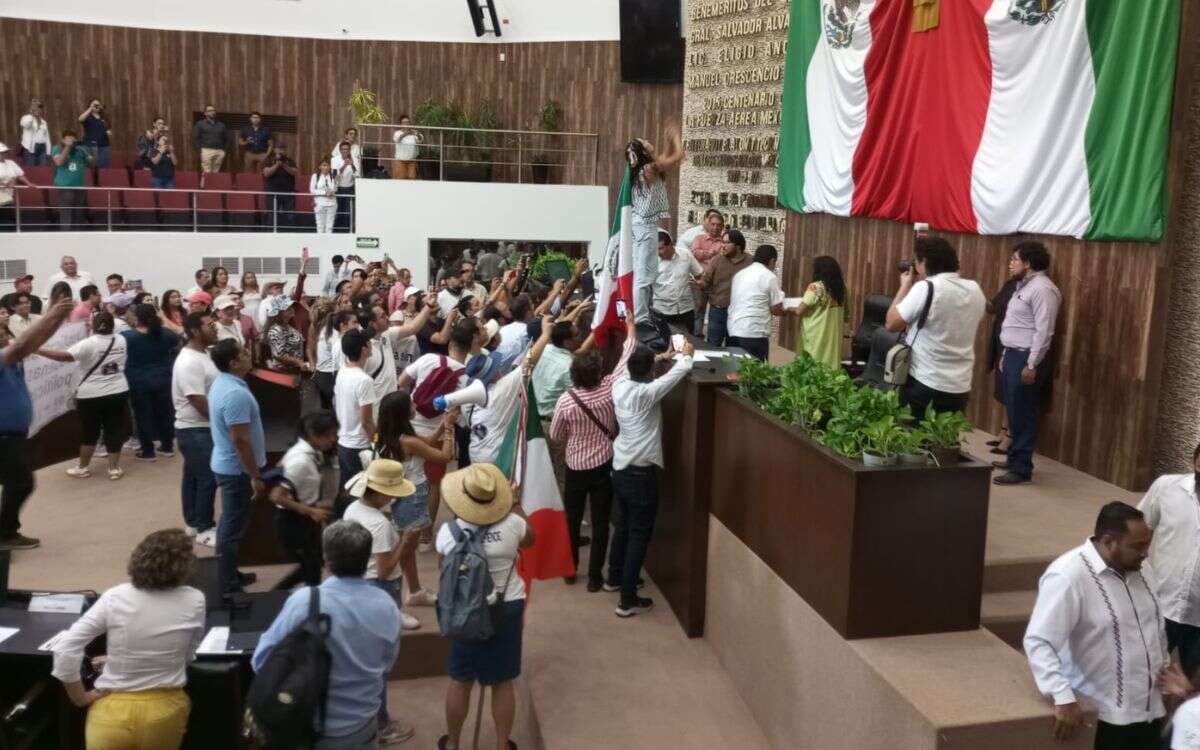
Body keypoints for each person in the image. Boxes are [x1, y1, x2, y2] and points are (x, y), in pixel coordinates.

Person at [1024, 502, 1167, 747]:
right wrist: (1062, 696)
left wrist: (1165, 672)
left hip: (1150, 710)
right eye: (1138, 546)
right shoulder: (1068, 576)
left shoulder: (1143, 570)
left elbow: (1155, 627)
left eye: (1147, 544)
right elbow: (1039, 641)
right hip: (1104, 716)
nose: (1146, 553)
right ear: (1109, 541)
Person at [50, 529, 205, 750]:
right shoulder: (195, 599)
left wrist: (80, 698)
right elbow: (185, 656)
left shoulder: (115, 597)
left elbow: (65, 649)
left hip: (111, 711)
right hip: (165, 711)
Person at [252, 521, 401, 749]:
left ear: (326, 558)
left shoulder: (304, 601)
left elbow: (261, 660)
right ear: (366, 558)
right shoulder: (388, 606)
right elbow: (387, 664)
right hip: (363, 728)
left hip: (311, 730)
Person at [436, 463, 534, 750]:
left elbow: (446, 570)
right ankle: (503, 745)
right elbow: (531, 539)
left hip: (464, 610)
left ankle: (453, 742)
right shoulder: (513, 525)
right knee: (503, 681)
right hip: (507, 606)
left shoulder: (448, 532)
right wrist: (515, 504)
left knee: (460, 678)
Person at [608, 321, 693, 617]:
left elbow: (641, 368)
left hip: (620, 468)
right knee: (639, 535)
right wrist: (684, 353)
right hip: (641, 474)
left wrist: (662, 356)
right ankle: (627, 600)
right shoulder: (647, 394)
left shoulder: (619, 385)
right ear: (649, 372)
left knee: (624, 526)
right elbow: (681, 373)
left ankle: (615, 578)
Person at [550, 320, 637, 590]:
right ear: (599, 372)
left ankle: (570, 569)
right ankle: (596, 577)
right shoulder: (610, 389)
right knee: (601, 524)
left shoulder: (566, 400)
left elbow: (555, 434)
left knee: (572, 520)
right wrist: (631, 329)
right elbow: (625, 359)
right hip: (604, 464)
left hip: (575, 466)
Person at [342, 459, 418, 742]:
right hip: (379, 588)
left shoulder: (354, 509)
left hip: (361, 585)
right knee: (380, 664)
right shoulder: (378, 525)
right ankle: (381, 723)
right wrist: (404, 542)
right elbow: (386, 570)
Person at [374, 390, 455, 620]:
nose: (415, 404)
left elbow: (427, 442)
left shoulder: (393, 436)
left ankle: (415, 590)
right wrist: (449, 429)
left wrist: (442, 424)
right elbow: (443, 457)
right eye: (410, 403)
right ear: (402, 412)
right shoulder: (407, 441)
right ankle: (397, 602)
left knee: (408, 551)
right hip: (413, 496)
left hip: (405, 496)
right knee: (405, 550)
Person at [884, 237, 986, 416]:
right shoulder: (975, 289)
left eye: (916, 262)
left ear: (923, 262)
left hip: (924, 381)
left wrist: (905, 286)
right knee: (944, 440)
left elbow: (891, 323)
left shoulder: (926, 288)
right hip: (959, 387)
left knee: (913, 440)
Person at [0, 297, 72, 550]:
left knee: (16, 482)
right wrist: (54, 314)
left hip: (13, 434)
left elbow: (30, 344)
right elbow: (22, 346)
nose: (2, 334)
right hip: (4, 436)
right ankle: (5, 533)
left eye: (3, 330)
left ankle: (6, 531)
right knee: (21, 482)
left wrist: (57, 319)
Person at [398, 320, 473, 549]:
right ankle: (426, 536)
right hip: (438, 434)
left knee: (406, 478)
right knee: (433, 485)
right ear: (469, 348)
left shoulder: (428, 359)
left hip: (410, 427)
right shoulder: (465, 378)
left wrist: (410, 406)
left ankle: (404, 523)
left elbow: (402, 382)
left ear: (450, 342)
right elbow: (461, 417)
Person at [994, 242, 1062, 486]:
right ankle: (1014, 459)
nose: (1011, 263)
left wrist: (1031, 364)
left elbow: (1045, 330)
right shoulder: (1023, 286)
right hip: (1013, 355)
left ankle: (1021, 468)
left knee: (1024, 413)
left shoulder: (1043, 289)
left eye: (1015, 259)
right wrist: (1004, 356)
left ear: (1029, 263)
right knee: (1014, 411)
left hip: (1027, 358)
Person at [38, 311, 129, 481]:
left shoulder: (87, 343)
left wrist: (38, 350)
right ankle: (114, 469)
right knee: (113, 429)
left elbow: (65, 356)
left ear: (94, 325)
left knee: (90, 431)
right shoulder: (122, 340)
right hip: (118, 390)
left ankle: (83, 467)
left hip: (90, 395)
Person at [1137, 441, 1200, 680]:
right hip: (1159, 604)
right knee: (1145, 677)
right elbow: (1140, 530)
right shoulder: (1166, 488)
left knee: (1190, 688)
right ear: (1197, 461)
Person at [208, 338, 266, 594]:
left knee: (231, 524)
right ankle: (228, 584)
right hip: (236, 470)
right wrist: (254, 475)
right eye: (243, 353)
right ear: (233, 363)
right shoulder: (235, 394)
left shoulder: (226, 383)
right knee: (231, 528)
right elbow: (240, 440)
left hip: (230, 466)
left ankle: (231, 574)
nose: (247, 354)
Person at [270, 411, 338, 590]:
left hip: (305, 519)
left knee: (312, 566)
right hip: (294, 523)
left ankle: (281, 595)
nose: (334, 439)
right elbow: (277, 496)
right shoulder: (301, 460)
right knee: (312, 570)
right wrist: (311, 510)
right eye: (330, 435)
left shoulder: (310, 452)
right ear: (315, 435)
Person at [626, 130, 685, 323]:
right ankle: (640, 317)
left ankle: (640, 313)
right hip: (644, 226)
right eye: (645, 141)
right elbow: (679, 155)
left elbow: (664, 157)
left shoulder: (644, 169)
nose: (649, 141)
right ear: (643, 151)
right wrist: (676, 134)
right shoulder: (649, 169)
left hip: (641, 225)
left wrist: (668, 142)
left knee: (646, 272)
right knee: (643, 275)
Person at [172, 312, 219, 546]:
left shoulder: (205, 354)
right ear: (194, 331)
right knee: (207, 478)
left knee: (192, 476)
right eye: (210, 325)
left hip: (199, 428)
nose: (215, 328)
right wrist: (221, 423)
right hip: (196, 429)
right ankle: (204, 528)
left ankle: (192, 521)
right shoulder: (189, 361)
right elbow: (197, 400)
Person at [122, 304, 179, 461]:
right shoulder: (166, 334)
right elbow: (177, 342)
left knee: (142, 416)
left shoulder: (127, 337)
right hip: (164, 379)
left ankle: (148, 451)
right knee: (166, 413)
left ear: (137, 318)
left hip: (138, 381)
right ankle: (167, 446)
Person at [727, 244, 789, 362]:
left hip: (733, 329)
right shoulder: (769, 276)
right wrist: (788, 309)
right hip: (754, 333)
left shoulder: (740, 274)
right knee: (755, 374)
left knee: (734, 370)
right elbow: (776, 309)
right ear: (772, 260)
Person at [335, 330, 379, 492]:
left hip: (344, 442)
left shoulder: (343, 371)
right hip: (360, 446)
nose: (371, 346)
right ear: (364, 350)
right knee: (360, 492)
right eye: (369, 344)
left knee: (347, 489)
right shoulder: (364, 380)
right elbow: (366, 421)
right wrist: (376, 441)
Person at [792, 255, 848, 369]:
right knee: (829, 369)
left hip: (815, 335)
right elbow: (846, 316)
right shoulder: (842, 289)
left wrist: (787, 308)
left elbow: (799, 311)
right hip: (833, 338)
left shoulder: (815, 287)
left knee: (810, 367)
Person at [699, 228, 753, 347]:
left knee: (734, 347)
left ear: (738, 245)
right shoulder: (717, 260)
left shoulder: (750, 262)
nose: (723, 246)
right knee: (713, 346)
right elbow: (705, 281)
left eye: (727, 243)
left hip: (739, 313)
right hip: (718, 311)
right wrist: (700, 283)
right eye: (722, 242)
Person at [653, 229, 703, 333]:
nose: (658, 252)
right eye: (656, 249)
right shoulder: (651, 261)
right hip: (662, 310)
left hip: (685, 309)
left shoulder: (686, 255)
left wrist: (699, 284)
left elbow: (699, 274)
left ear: (670, 245)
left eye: (661, 248)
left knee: (686, 343)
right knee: (665, 344)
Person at [52, 130, 94, 229]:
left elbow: (92, 164)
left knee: (78, 213)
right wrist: (67, 147)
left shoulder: (81, 150)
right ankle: (66, 236)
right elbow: (58, 162)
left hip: (80, 187)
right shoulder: (57, 148)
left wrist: (92, 152)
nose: (71, 141)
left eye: (73, 139)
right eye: (68, 139)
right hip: (65, 187)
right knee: (66, 213)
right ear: (63, 140)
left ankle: (77, 235)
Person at [262, 295, 310, 373]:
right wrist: (299, 362)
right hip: (283, 372)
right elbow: (279, 355)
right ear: (279, 312)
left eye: (291, 306)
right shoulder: (275, 330)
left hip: (295, 370)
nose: (292, 309)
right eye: (287, 308)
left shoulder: (290, 326)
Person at [262, 142, 298, 228]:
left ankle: (289, 234)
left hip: (288, 193)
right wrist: (277, 165)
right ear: (275, 150)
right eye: (279, 148)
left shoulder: (290, 161)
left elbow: (294, 172)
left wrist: (284, 165)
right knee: (272, 216)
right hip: (272, 193)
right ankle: (271, 235)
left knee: (290, 216)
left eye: (283, 149)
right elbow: (266, 173)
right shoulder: (269, 160)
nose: (281, 150)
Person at [0, 143, 35, 230]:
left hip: (7, 197)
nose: (3, 154)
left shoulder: (11, 163)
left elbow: (20, 175)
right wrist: (5, 184)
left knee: (7, 217)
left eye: (4, 152)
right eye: (1, 152)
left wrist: (29, 184)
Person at [331, 141, 358, 233]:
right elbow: (334, 175)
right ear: (340, 150)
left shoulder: (354, 159)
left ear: (349, 150)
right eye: (343, 149)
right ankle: (337, 230)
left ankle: (347, 230)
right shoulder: (334, 159)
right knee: (337, 210)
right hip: (338, 188)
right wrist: (345, 165)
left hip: (350, 188)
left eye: (347, 149)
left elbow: (357, 174)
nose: (345, 151)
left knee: (348, 211)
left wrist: (352, 165)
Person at [192, 105, 228, 173]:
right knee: (206, 172)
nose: (212, 112)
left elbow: (226, 138)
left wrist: (224, 150)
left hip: (219, 151)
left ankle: (214, 184)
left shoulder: (221, 125)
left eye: (213, 110)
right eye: (210, 111)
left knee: (216, 172)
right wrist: (200, 150)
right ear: (205, 113)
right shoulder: (200, 124)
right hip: (206, 150)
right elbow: (195, 138)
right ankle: (205, 184)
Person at [77, 98, 113, 168]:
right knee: (90, 167)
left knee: (104, 168)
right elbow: (80, 119)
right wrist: (90, 108)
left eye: (98, 105)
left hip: (104, 146)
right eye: (95, 105)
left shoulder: (104, 117)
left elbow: (108, 129)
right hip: (90, 146)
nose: (97, 106)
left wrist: (108, 132)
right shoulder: (88, 117)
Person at [19, 99, 51, 166]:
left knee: (43, 169)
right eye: (36, 107)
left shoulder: (44, 122)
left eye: (39, 108)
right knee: (31, 169)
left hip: (42, 148)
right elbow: (26, 124)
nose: (38, 109)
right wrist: (32, 114)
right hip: (30, 148)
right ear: (31, 108)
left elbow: (47, 138)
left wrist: (48, 152)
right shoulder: (26, 118)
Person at [311, 158, 338, 234]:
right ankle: (320, 244)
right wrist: (324, 192)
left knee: (329, 227)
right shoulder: (315, 176)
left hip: (332, 203)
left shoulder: (333, 176)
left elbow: (335, 189)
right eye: (324, 165)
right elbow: (312, 190)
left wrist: (336, 182)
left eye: (327, 165)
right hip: (319, 204)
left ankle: (328, 244)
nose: (326, 167)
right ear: (320, 167)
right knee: (320, 226)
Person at [391, 115, 422, 180]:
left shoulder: (413, 133)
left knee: (412, 178)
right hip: (400, 160)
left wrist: (417, 134)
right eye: (404, 122)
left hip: (411, 160)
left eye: (408, 122)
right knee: (401, 178)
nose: (406, 124)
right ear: (401, 124)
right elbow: (397, 140)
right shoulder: (397, 133)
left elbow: (420, 140)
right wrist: (406, 133)